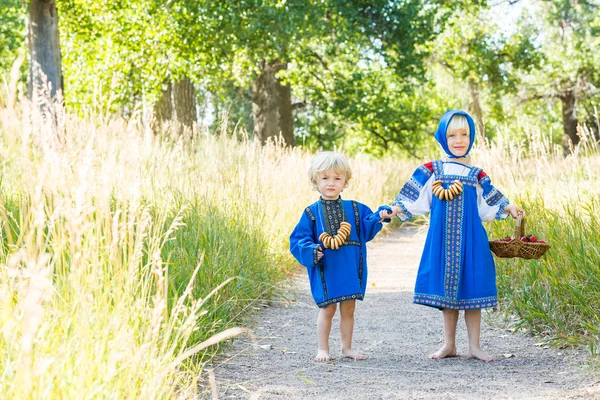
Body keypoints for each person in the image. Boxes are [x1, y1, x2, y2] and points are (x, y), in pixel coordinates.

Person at [381, 110, 524, 362]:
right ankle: (449, 344)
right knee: (448, 295)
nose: (459, 140)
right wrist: (394, 209)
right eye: (452, 135)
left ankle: (475, 346)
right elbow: (413, 199)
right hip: (443, 240)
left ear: (472, 137)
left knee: (473, 289)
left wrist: (508, 206)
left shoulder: (476, 175)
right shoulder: (431, 170)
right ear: (442, 137)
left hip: (472, 240)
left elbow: (489, 202)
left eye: (465, 134)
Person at [290, 151, 391, 362]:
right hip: (327, 268)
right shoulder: (311, 213)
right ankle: (323, 349)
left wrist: (381, 215)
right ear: (314, 181)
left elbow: (367, 223)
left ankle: (346, 348)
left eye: (337, 178)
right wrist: (312, 250)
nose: (331, 183)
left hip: (349, 267)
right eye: (325, 178)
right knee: (327, 309)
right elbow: (299, 239)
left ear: (345, 182)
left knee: (349, 308)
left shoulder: (354, 208)